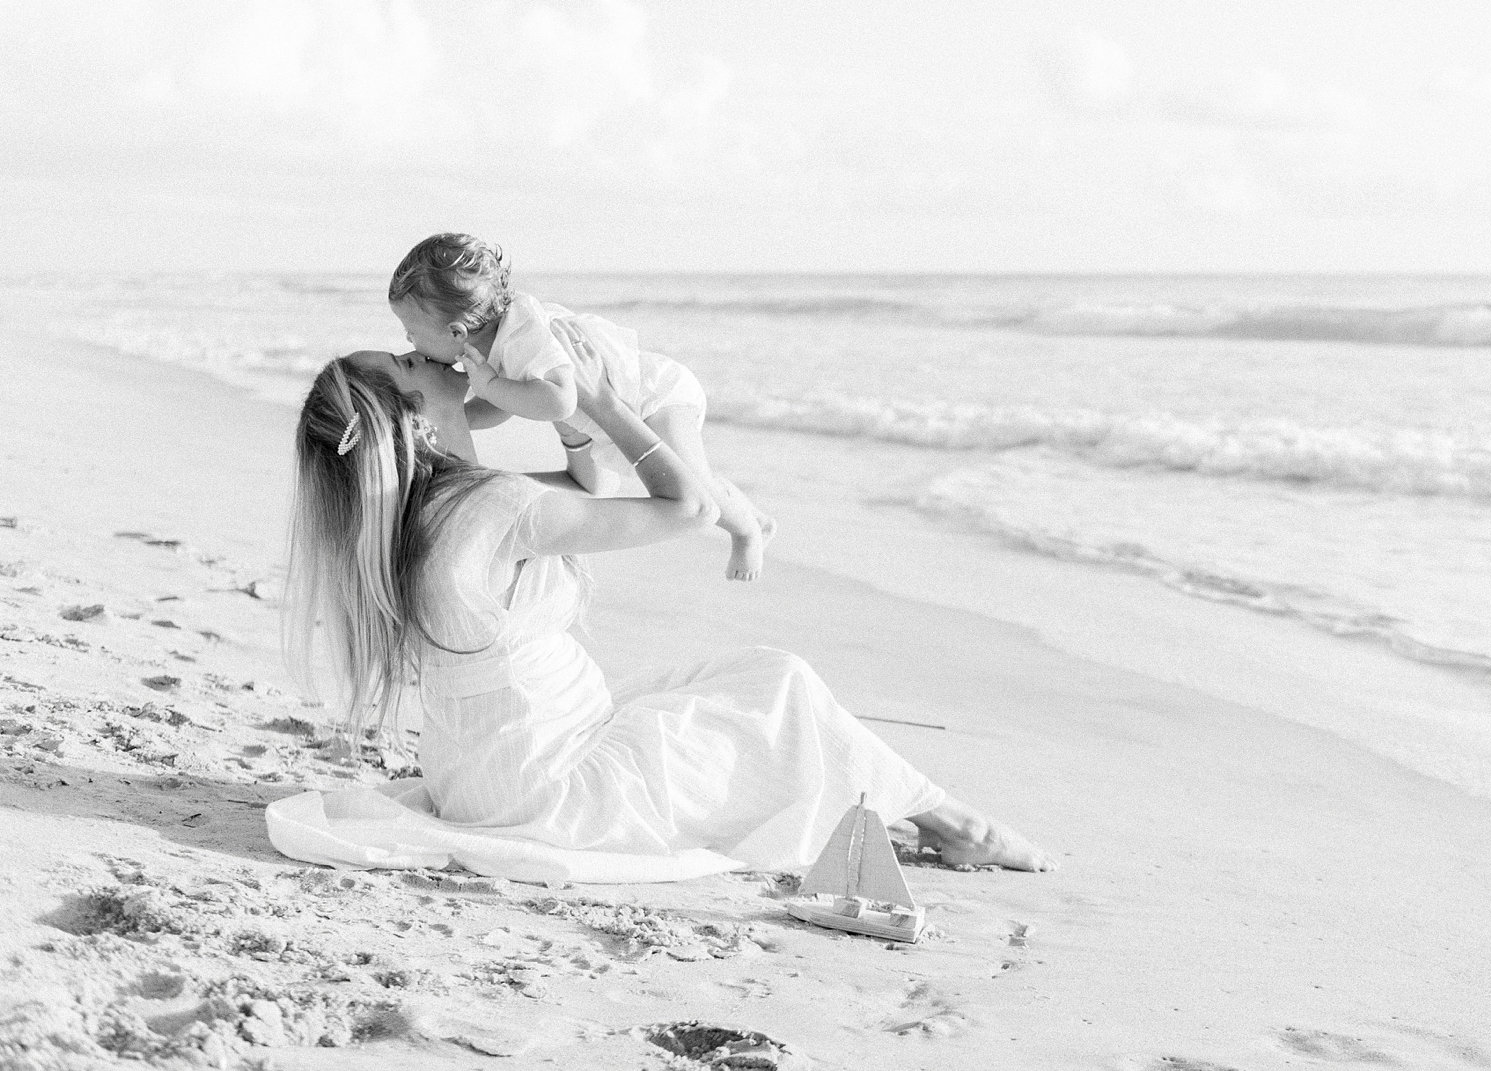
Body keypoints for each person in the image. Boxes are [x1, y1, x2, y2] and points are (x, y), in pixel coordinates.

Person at [272, 338, 1055, 884]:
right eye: (412, 361)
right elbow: (688, 505)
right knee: (778, 683)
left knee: (717, 683)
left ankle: (916, 810)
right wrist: (604, 401)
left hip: (479, 775)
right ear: (413, 410)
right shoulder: (488, 504)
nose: (433, 353)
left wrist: (556, 417)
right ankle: (957, 824)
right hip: (551, 794)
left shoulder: (398, 522)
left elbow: (582, 497)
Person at [386, 232, 775, 581]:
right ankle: (750, 515)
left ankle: (746, 532)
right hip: (628, 409)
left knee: (697, 482)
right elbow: (505, 406)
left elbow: (558, 401)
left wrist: (489, 385)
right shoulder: (498, 347)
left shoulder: (524, 340)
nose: (409, 340)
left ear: (456, 332)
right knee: (698, 474)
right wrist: (460, 420)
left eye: (411, 332)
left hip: (654, 394)